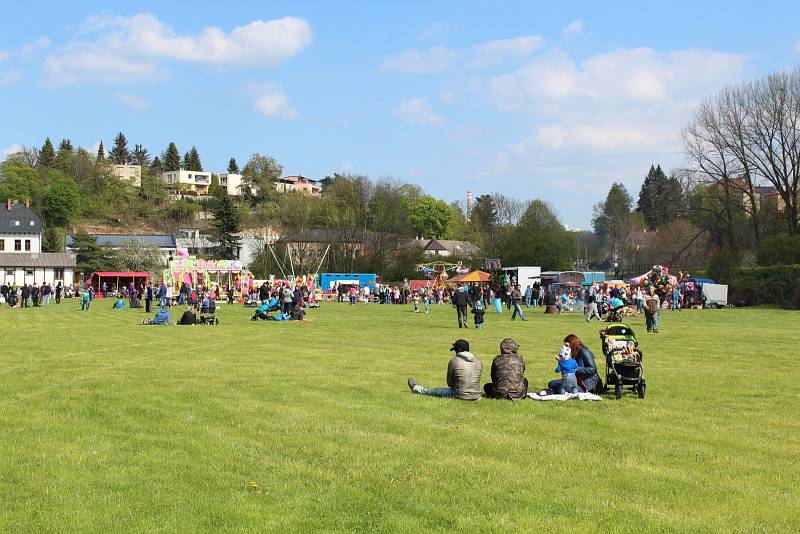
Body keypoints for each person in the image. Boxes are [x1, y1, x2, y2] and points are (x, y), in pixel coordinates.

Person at [407, 339, 483, 400]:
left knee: (435, 391)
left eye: (455, 350)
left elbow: (449, 383)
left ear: (459, 349)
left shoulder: (454, 361)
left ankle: (416, 388)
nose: (455, 352)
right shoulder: (478, 361)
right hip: (477, 395)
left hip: (460, 395)